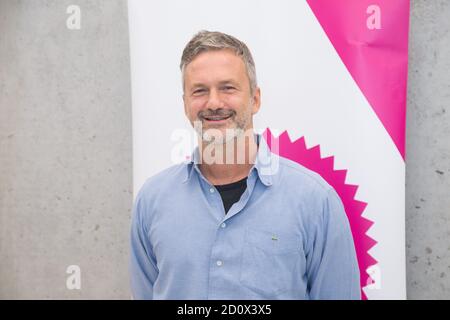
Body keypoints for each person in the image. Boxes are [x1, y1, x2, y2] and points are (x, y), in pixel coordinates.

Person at [130, 30, 361, 299]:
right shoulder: (152, 200)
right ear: (185, 104)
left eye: (228, 88)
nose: (214, 103)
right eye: (199, 91)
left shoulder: (315, 201)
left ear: (255, 99)